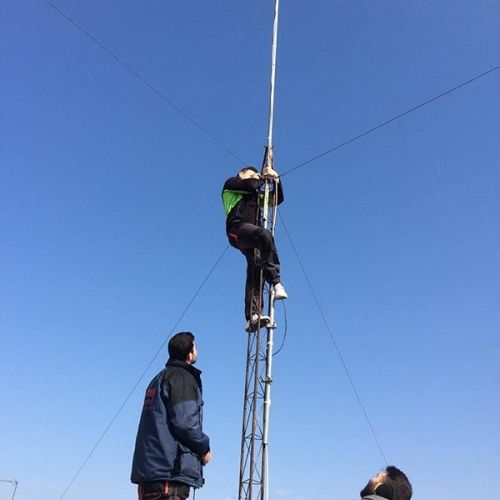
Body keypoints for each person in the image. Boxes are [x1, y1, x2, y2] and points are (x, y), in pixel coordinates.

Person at [131, 332, 212, 500]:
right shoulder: (182, 378)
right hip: (169, 474)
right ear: (189, 353)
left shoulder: (159, 378)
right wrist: (203, 448)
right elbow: (186, 423)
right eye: (195, 347)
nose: (196, 350)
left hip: (151, 473)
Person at [222, 165, 288, 332]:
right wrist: (264, 177)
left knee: (256, 267)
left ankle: (253, 315)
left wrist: (276, 179)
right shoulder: (231, 186)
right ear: (242, 174)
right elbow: (251, 185)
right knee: (264, 235)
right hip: (236, 229)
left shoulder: (255, 195)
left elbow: (275, 200)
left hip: (251, 236)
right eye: (253, 174)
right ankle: (276, 282)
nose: (256, 177)